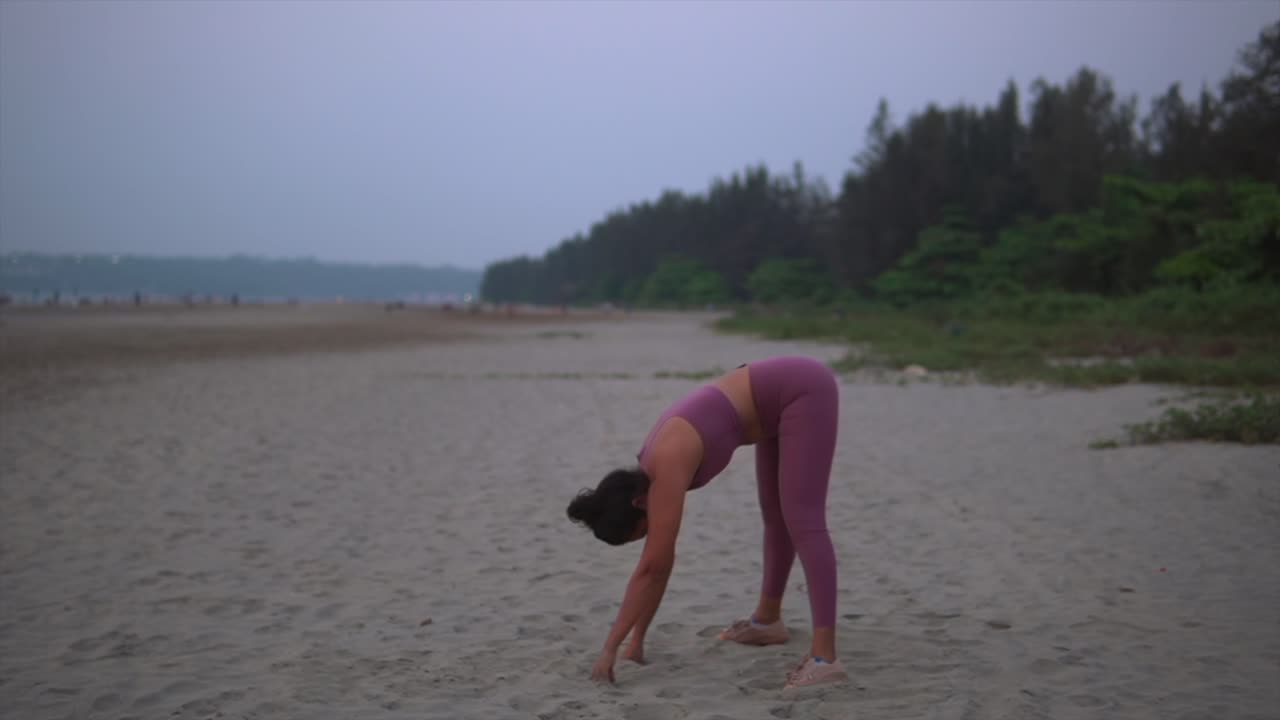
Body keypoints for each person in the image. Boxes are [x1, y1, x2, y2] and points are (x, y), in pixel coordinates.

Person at [566, 355, 847, 689]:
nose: (649, 536)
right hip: (775, 403)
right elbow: (659, 566)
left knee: (804, 519)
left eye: (641, 532)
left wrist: (609, 648)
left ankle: (824, 658)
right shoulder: (650, 470)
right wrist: (635, 641)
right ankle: (768, 621)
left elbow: (653, 567)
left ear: (638, 503)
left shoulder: (665, 465)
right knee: (776, 515)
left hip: (803, 388)